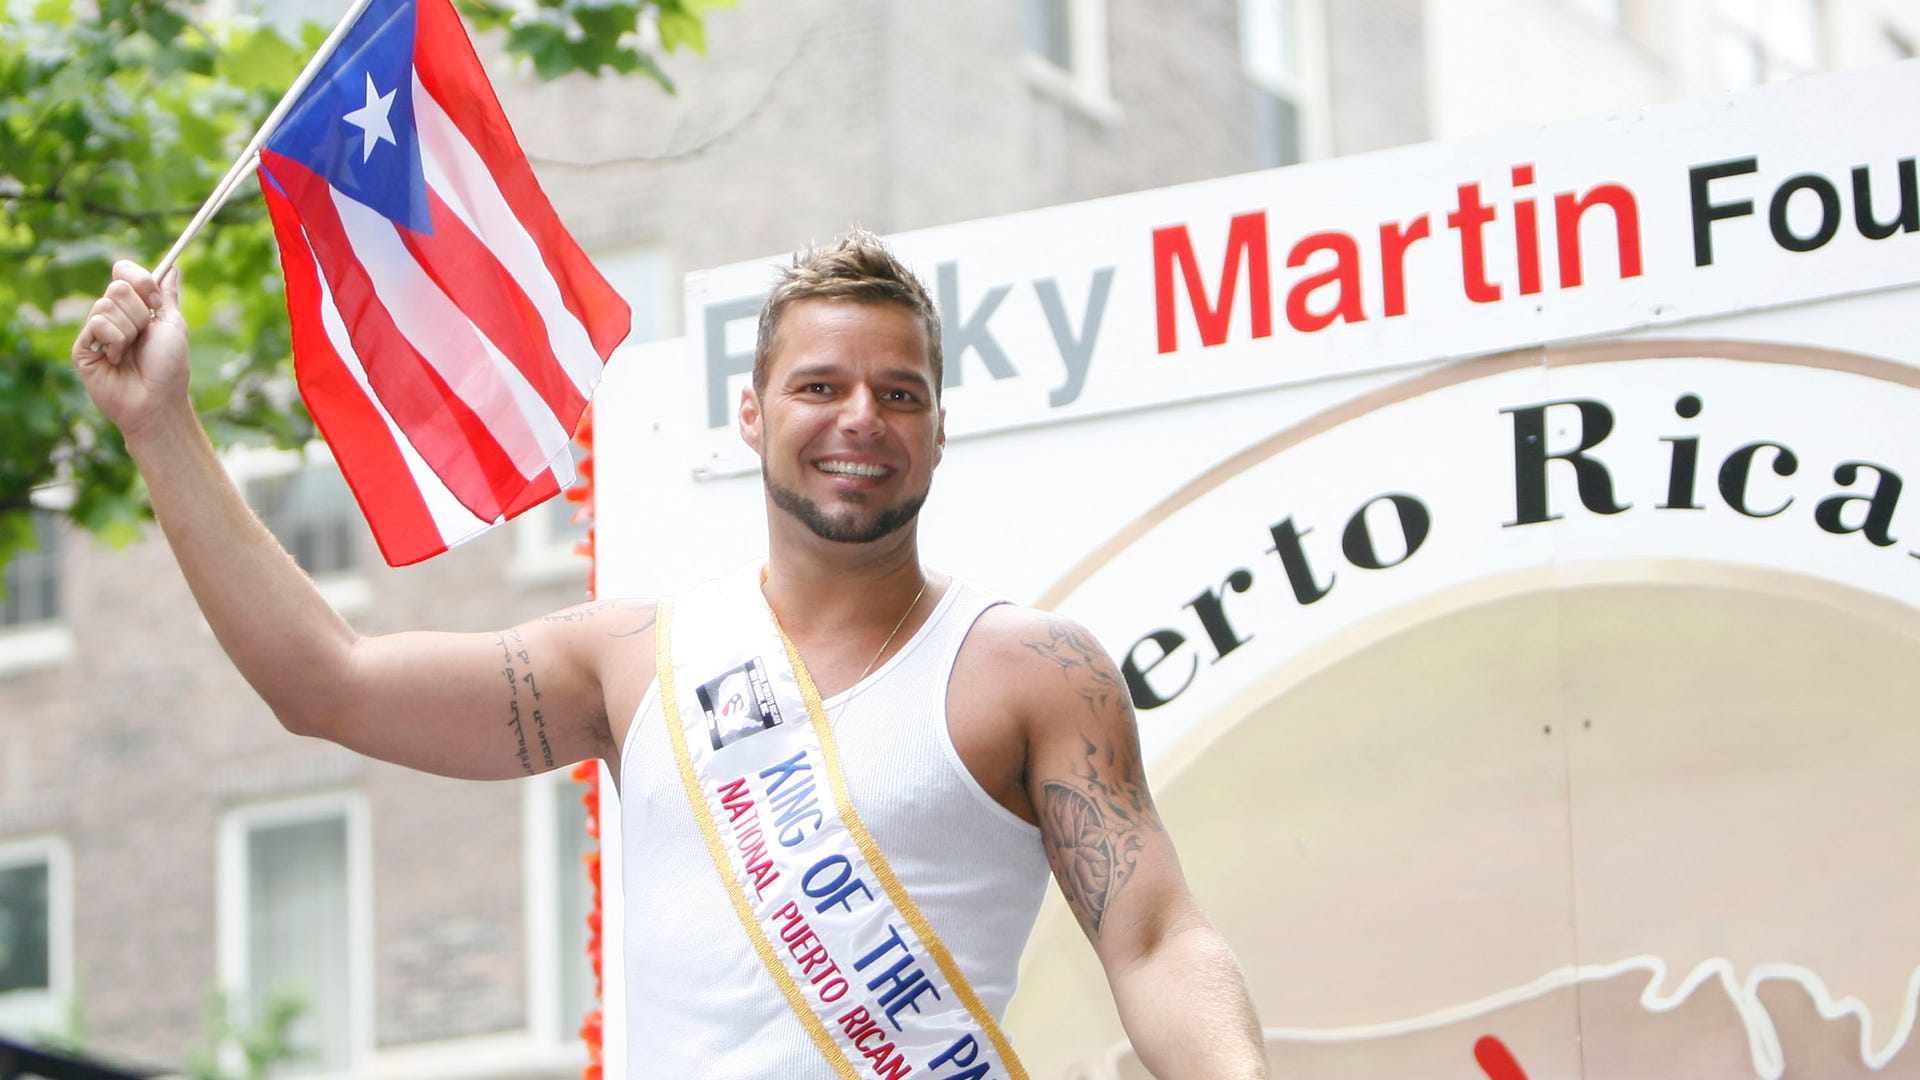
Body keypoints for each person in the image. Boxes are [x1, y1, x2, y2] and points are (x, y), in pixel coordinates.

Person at [73, 230, 1268, 1078]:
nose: (861, 419)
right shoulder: (632, 662)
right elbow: (323, 683)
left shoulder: (1034, 670)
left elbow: (1157, 938)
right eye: (819, 385)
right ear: (751, 415)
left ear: (941, 430)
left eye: (900, 394)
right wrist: (162, 425)